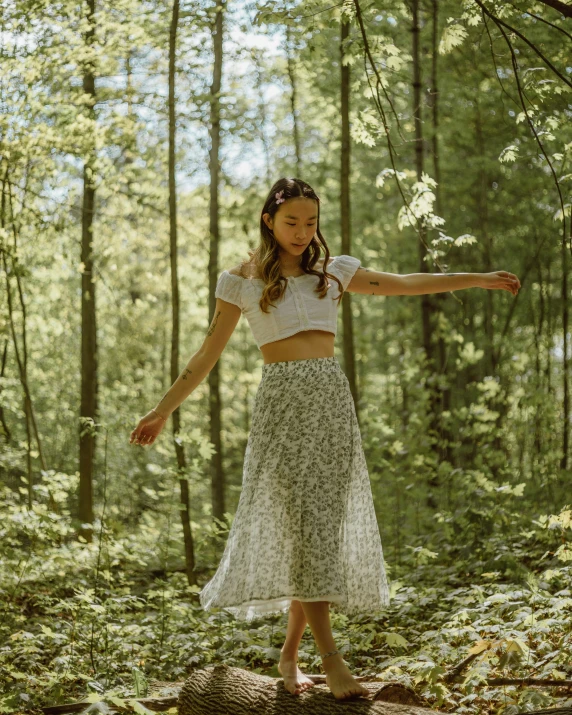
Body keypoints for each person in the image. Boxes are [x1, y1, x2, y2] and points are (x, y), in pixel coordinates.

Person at [130, 177, 520, 700]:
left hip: (332, 405)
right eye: (291, 221)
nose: (301, 231)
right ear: (269, 220)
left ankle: (289, 656)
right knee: (306, 531)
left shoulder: (332, 274)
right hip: (283, 408)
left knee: (319, 533)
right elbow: (206, 356)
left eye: (310, 222)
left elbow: (405, 282)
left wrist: (478, 279)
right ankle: (332, 661)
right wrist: (160, 411)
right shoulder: (241, 282)